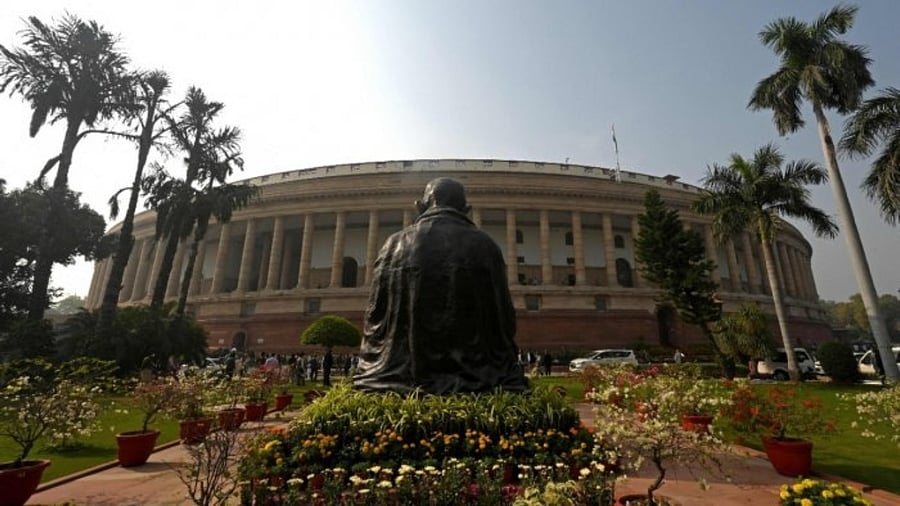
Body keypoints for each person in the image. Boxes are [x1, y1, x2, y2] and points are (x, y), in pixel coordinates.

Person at [354, 177, 527, 393]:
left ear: (420, 205)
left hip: (400, 376)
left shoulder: (393, 244)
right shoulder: (486, 245)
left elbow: (375, 317)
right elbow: (504, 317)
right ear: (467, 209)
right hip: (480, 377)